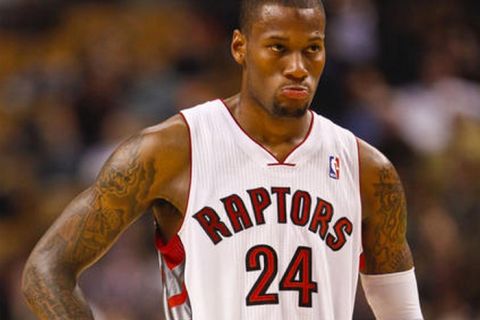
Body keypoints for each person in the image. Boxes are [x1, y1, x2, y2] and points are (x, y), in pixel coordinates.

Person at [22, 0, 424, 319]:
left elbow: (401, 313)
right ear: (240, 47)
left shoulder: (367, 169)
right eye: (278, 48)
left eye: (312, 49)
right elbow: (47, 269)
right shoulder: (173, 150)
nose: (297, 67)